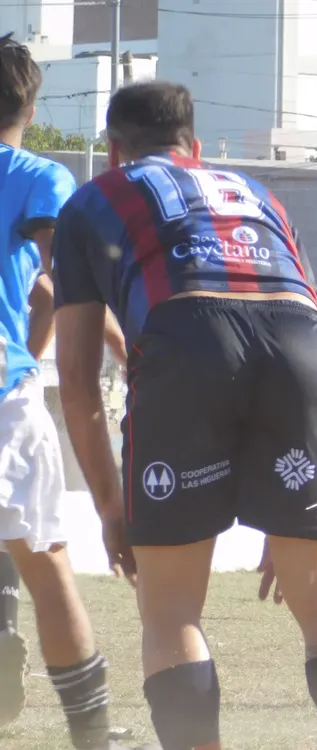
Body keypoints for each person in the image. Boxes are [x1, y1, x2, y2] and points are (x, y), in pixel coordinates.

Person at [51, 81, 317, 750]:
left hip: (185, 335)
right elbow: (304, 323)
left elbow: (79, 380)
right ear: (196, 148)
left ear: (115, 151)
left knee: (170, 609)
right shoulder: (260, 194)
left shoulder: (93, 200)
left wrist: (114, 508)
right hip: (300, 345)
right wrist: (282, 505)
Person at [0, 33, 144, 750]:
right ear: (30, 102)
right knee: (45, 558)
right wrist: (130, 352)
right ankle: (92, 733)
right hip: (1, 394)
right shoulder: (35, 176)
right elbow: (66, 285)